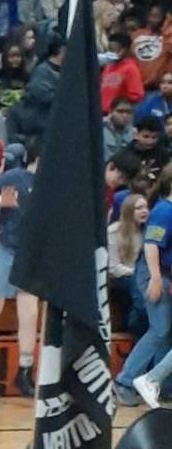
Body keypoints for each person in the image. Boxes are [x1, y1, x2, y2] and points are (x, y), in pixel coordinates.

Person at [0, 144, 38, 397]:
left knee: (30, 311)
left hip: (31, 253)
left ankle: (25, 370)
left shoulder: (55, 185)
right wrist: (0, 201)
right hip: (5, 248)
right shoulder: (16, 176)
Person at [114, 169, 172, 407]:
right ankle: (125, 381)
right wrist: (156, 279)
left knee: (164, 332)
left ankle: (160, 384)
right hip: (154, 272)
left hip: (165, 273)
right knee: (159, 330)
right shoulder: (163, 211)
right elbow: (151, 245)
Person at [107, 193, 149, 339]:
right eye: (139, 208)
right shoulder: (114, 231)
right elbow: (113, 267)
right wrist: (137, 273)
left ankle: (138, 321)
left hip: (140, 275)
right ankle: (140, 316)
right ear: (129, 211)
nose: (144, 211)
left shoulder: (148, 231)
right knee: (135, 283)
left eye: (146, 207)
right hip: (119, 276)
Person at [101, 30, 145, 115]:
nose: (112, 52)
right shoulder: (108, 66)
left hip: (119, 113)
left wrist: (120, 103)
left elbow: (137, 94)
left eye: (115, 49)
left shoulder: (131, 68)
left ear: (126, 49)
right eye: (110, 49)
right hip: (103, 112)